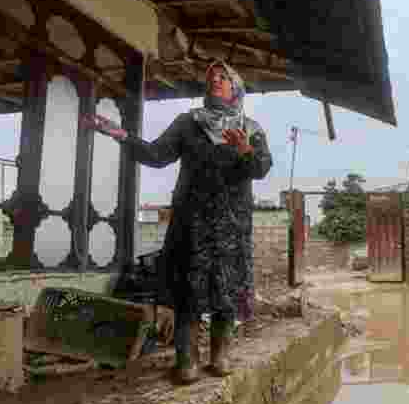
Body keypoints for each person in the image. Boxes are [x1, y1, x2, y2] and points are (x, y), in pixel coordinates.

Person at [83, 60, 272, 385]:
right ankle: (187, 362)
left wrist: (245, 151)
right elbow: (156, 155)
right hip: (192, 222)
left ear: (236, 87)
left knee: (226, 290)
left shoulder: (251, 129)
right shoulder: (188, 123)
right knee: (189, 291)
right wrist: (120, 134)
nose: (215, 79)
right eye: (212, 76)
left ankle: (220, 356)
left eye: (224, 76)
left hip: (232, 224)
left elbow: (261, 168)